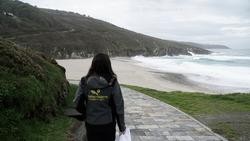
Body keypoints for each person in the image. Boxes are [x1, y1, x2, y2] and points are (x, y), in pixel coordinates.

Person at [74, 53, 126, 141]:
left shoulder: (84, 81)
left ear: (93, 64)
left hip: (91, 123)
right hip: (108, 124)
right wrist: (122, 127)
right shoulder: (112, 82)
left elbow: (77, 101)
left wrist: (85, 114)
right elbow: (119, 106)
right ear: (108, 65)